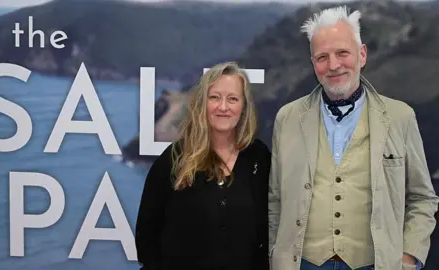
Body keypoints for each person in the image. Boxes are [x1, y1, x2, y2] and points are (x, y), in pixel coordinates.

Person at [268, 5, 439, 270]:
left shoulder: (400, 117)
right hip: (302, 264)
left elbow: (422, 198)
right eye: (322, 57)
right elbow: (275, 199)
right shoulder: (286, 118)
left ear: (362, 55)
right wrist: (274, 257)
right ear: (313, 63)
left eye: (342, 53)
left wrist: (408, 258)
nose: (333, 65)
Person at [135, 61, 271, 270]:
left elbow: (268, 231)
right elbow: (146, 238)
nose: (223, 107)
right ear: (202, 103)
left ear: (243, 107)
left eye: (232, 99)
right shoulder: (174, 159)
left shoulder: (259, 157)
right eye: (214, 97)